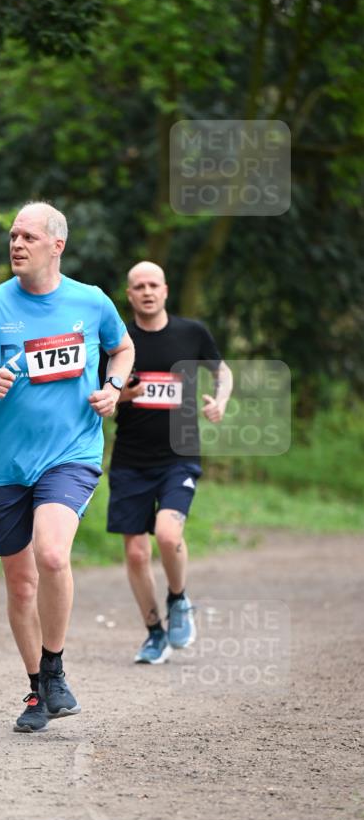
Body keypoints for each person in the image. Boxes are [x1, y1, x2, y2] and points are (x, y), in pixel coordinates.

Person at [0, 201, 134, 732]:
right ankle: (37, 690)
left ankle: (55, 668)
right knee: (20, 582)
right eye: (12, 235)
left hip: (71, 452)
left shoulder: (91, 303)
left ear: (57, 245)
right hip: (4, 464)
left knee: (52, 554)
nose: (16, 244)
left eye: (28, 236)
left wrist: (113, 389)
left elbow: (123, 350)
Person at [107, 261, 232, 664]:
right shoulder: (118, 340)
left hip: (179, 456)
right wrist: (126, 394)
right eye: (138, 286)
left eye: (153, 285)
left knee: (166, 534)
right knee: (136, 554)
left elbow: (223, 372)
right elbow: (103, 397)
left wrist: (221, 400)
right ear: (129, 295)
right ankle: (153, 634)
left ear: (165, 290)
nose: (146, 291)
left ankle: (178, 599)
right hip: (129, 460)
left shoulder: (191, 333)